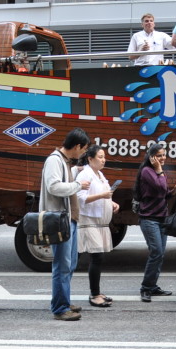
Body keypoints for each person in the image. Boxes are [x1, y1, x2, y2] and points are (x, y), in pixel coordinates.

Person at [42, 128, 91, 321]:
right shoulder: (54, 160)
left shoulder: (64, 162)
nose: (84, 154)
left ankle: (65, 300)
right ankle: (60, 308)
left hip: (69, 219)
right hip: (59, 220)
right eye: (84, 149)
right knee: (62, 266)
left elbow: (63, 179)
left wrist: (74, 173)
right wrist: (78, 185)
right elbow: (53, 186)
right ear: (77, 146)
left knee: (70, 264)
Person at [75, 144, 119, 308]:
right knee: (96, 256)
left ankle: (97, 292)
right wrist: (103, 195)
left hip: (100, 222)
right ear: (90, 158)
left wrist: (112, 202)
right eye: (100, 157)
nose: (103, 160)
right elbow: (80, 197)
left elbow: (104, 194)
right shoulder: (85, 175)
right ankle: (94, 294)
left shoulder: (99, 174)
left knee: (98, 257)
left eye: (104, 157)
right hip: (89, 221)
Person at [134, 143, 176, 303]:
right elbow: (160, 187)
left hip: (162, 218)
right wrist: (159, 171)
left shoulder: (159, 172)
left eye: (164, 154)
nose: (163, 158)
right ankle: (145, 288)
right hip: (149, 219)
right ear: (152, 157)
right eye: (159, 155)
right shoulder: (148, 171)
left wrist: (172, 192)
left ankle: (152, 286)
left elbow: (162, 193)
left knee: (159, 255)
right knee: (156, 252)